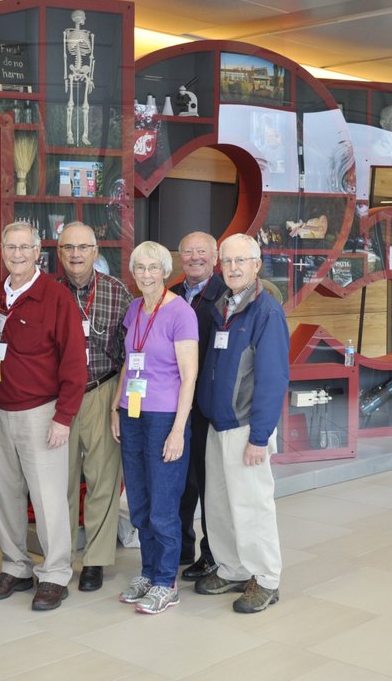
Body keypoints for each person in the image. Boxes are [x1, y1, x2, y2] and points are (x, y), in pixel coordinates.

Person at [0, 221, 87, 612]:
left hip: (40, 413)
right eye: (11, 247)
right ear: (3, 250)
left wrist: (63, 417)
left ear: (38, 251)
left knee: (48, 500)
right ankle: (15, 566)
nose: (17, 255)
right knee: (3, 494)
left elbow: (75, 363)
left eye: (25, 248)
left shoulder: (56, 298)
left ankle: (56, 572)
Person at [194, 233, 288, 613]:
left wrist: (260, 438)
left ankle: (265, 578)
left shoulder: (266, 312)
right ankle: (232, 567)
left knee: (252, 506)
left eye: (240, 261)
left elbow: (272, 379)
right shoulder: (224, 307)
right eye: (227, 262)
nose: (232, 268)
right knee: (219, 506)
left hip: (247, 428)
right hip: (217, 426)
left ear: (256, 265)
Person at [111, 241, 198, 614]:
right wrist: (117, 407)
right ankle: (147, 571)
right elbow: (129, 363)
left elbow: (189, 376)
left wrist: (179, 429)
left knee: (163, 503)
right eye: (140, 268)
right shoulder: (134, 309)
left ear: (165, 271)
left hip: (165, 417)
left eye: (153, 268)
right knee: (141, 502)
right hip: (132, 414)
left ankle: (166, 581)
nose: (146, 274)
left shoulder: (181, 313)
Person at [55, 222, 130, 593]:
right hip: (58, 400)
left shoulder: (117, 293)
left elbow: (131, 352)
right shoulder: (48, 293)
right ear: (59, 253)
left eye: (83, 247)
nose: (76, 254)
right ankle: (61, 556)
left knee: (103, 480)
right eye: (68, 247)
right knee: (61, 482)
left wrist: (120, 402)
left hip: (103, 390)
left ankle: (96, 560)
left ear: (96, 252)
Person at [170, 231, 225, 583]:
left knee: (209, 485)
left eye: (201, 251)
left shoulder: (225, 295)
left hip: (208, 405)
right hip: (175, 405)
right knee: (181, 480)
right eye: (187, 252)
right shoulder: (171, 296)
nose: (194, 257)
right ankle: (180, 548)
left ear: (215, 255)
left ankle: (212, 554)